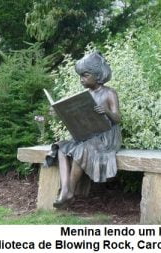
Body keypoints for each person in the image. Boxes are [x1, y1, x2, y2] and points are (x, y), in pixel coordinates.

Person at [45, 52, 122, 208]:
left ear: (97, 75)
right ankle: (65, 190)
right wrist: (60, 113)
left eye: (85, 75)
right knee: (61, 147)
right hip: (88, 134)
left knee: (81, 150)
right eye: (80, 76)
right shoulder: (85, 95)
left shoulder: (109, 93)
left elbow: (118, 118)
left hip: (106, 136)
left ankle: (69, 192)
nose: (82, 79)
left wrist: (106, 111)